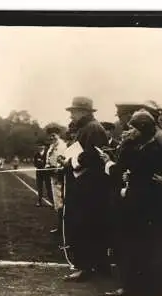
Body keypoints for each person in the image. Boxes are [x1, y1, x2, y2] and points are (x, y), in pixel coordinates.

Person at [100, 109, 162, 296]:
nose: (129, 131)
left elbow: (142, 181)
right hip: (142, 206)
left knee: (132, 246)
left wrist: (127, 188)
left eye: (133, 127)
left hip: (140, 208)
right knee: (138, 247)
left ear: (142, 129)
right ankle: (136, 285)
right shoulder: (146, 147)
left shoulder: (151, 151)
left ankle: (130, 286)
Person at [62, 96, 111, 281]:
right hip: (86, 186)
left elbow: (93, 156)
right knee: (90, 226)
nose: (71, 115)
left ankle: (86, 267)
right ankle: (96, 266)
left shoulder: (93, 128)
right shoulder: (87, 128)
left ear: (83, 111)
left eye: (73, 111)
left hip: (89, 188)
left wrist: (71, 162)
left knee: (85, 226)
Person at [44, 124, 68, 233]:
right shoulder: (51, 147)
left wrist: (56, 169)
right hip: (52, 177)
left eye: (53, 135)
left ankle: (62, 228)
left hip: (60, 178)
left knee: (61, 202)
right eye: (50, 136)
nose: (52, 138)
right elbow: (48, 161)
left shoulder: (63, 146)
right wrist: (47, 167)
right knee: (56, 202)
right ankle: (60, 227)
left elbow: (64, 162)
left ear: (58, 134)